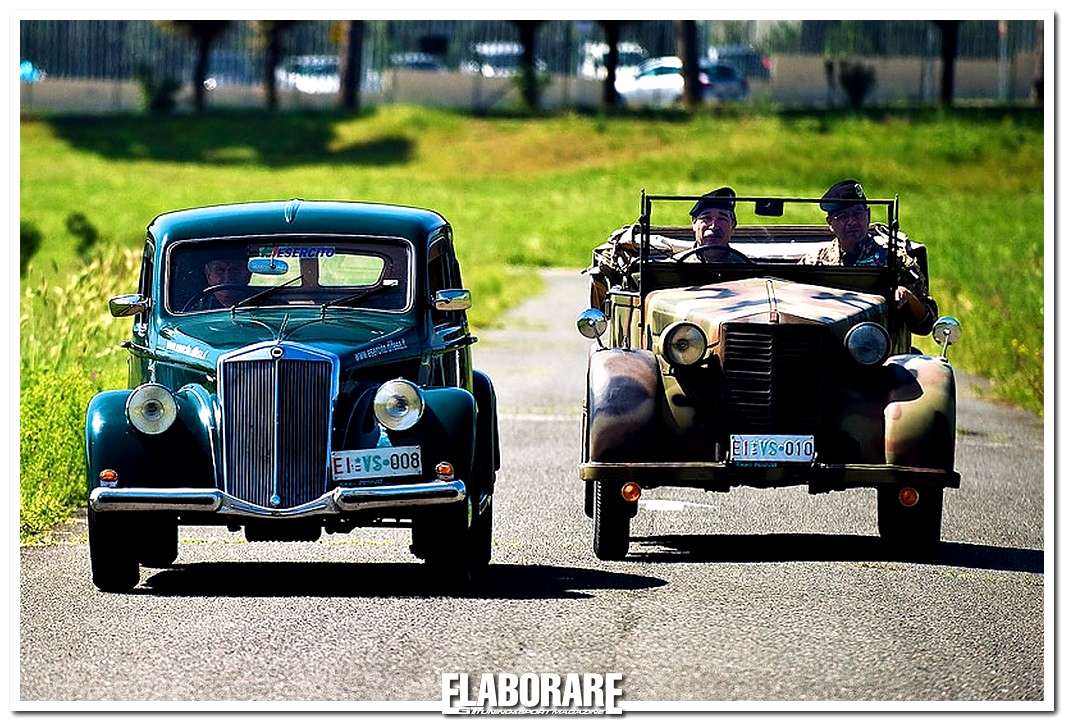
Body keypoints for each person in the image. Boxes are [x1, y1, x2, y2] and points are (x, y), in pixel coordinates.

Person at [801, 179, 938, 335]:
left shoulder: (895, 260)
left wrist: (907, 297)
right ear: (830, 223)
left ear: (868, 214)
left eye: (857, 213)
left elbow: (928, 323)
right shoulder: (814, 262)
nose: (852, 222)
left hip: (882, 351)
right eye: (843, 216)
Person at [688, 186, 743, 263]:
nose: (713, 226)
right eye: (706, 218)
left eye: (722, 219)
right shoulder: (672, 265)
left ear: (732, 226)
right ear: (694, 223)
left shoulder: (745, 267)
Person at [186, 252, 252, 310]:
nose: (228, 277)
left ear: (248, 274)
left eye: (235, 269)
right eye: (220, 270)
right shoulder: (196, 311)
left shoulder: (260, 304)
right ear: (208, 276)